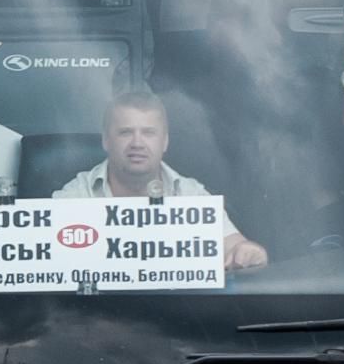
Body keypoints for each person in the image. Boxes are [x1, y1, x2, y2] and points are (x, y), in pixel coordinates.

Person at [52, 86, 270, 275]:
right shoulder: (75, 195)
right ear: (106, 141)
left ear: (164, 142)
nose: (137, 143)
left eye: (148, 132)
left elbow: (233, 245)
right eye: (125, 132)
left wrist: (248, 251)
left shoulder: (190, 194)